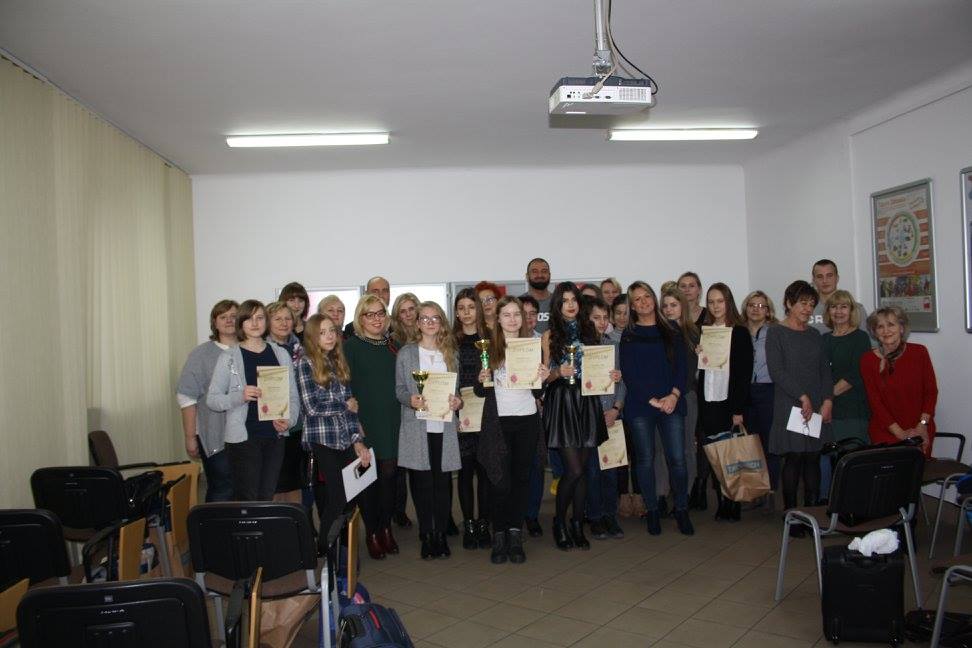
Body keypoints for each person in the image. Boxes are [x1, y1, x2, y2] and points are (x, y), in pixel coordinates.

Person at [475, 296, 550, 563]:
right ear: (497, 319)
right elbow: (480, 391)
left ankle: (515, 534)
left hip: (527, 420)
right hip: (498, 423)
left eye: (516, 314)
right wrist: (481, 380)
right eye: (506, 314)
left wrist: (543, 379)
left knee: (521, 479)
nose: (512, 319)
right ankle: (499, 533)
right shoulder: (488, 348)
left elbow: (537, 392)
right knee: (499, 481)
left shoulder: (531, 347)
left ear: (523, 318)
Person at [296, 314, 378, 557]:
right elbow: (311, 408)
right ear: (312, 337)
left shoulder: (338, 362)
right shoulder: (305, 363)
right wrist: (344, 405)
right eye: (322, 332)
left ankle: (342, 546)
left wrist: (357, 441)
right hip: (322, 440)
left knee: (353, 493)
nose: (330, 336)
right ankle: (323, 548)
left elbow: (352, 409)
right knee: (337, 495)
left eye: (332, 331)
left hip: (344, 439)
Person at [619, 281, 694, 536]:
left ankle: (681, 509)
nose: (643, 302)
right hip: (641, 406)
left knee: (677, 459)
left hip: (672, 402)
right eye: (637, 299)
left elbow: (682, 368)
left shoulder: (672, 329)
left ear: (654, 298)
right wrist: (651, 400)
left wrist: (673, 395)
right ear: (632, 306)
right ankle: (651, 510)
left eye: (647, 296)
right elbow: (629, 373)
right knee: (645, 460)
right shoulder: (629, 335)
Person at [207, 299, 300, 501]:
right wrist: (239, 396)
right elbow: (212, 399)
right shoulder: (229, 357)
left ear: (266, 321)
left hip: (275, 437)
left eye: (260, 318)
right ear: (241, 323)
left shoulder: (280, 354)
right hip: (243, 439)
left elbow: (292, 396)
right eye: (249, 319)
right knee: (247, 499)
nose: (255, 323)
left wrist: (289, 420)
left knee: (266, 496)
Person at [543, 282, 610, 550]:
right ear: (557, 306)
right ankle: (559, 523)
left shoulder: (590, 330)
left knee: (582, 473)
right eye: (564, 301)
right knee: (575, 470)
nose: (570, 305)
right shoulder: (549, 335)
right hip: (562, 402)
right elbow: (543, 377)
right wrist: (558, 372)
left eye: (574, 300)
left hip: (588, 401)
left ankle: (577, 524)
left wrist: (611, 375)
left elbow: (599, 367)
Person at [395, 302, 463, 559]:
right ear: (417, 323)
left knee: (442, 482)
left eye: (435, 318)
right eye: (424, 318)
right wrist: (410, 399)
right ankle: (427, 533)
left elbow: (456, 391)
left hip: (444, 426)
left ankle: (441, 534)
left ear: (442, 322)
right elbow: (400, 390)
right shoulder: (406, 353)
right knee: (422, 483)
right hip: (418, 426)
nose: (430, 322)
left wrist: (458, 402)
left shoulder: (450, 353)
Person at [766, 280, 834, 536]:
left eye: (811, 304)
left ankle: (812, 515)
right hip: (790, 403)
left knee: (813, 457)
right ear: (788, 303)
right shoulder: (776, 332)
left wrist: (827, 400)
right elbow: (777, 371)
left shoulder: (815, 334)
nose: (807, 308)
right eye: (803, 303)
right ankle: (792, 516)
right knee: (794, 457)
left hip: (814, 404)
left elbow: (824, 371)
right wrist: (802, 396)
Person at [344, 294, 402, 556]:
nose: (376, 319)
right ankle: (372, 532)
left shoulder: (394, 346)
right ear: (360, 318)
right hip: (366, 422)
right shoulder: (351, 347)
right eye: (370, 314)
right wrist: (354, 425)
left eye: (380, 313)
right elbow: (345, 388)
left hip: (393, 420)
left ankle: (386, 527)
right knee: (369, 479)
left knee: (390, 477)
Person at [697, 283, 754, 522]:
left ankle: (734, 502)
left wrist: (738, 409)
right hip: (708, 400)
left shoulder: (739, 332)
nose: (715, 306)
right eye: (711, 302)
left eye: (720, 301)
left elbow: (744, 374)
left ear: (728, 302)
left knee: (731, 455)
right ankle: (721, 501)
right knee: (714, 455)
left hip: (728, 402)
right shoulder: (705, 332)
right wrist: (699, 354)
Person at [176, 299, 238, 502]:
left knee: (244, 489)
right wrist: (190, 436)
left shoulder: (250, 350)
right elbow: (186, 396)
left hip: (248, 437)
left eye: (234, 316)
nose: (229, 320)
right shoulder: (201, 355)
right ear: (215, 322)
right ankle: (214, 524)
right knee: (222, 488)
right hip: (215, 434)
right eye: (223, 317)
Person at [860, 306, 937, 454]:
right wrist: (900, 433)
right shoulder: (867, 360)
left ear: (901, 328)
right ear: (874, 332)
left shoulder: (919, 352)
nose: (886, 331)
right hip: (885, 431)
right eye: (880, 327)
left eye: (891, 325)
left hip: (920, 429)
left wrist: (922, 425)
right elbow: (875, 402)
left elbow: (931, 392)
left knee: (918, 468)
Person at [453, 288, 492, 550]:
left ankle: (483, 524)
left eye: (471, 306)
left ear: (478, 308)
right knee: (466, 472)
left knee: (485, 472)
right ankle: (468, 524)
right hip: (461, 413)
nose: (467, 312)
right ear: (456, 313)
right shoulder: (449, 341)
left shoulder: (491, 338)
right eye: (462, 308)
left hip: (487, 412)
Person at [657, 282, 700, 514]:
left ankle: (685, 494)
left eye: (673, 305)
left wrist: (674, 394)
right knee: (661, 449)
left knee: (686, 449)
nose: (669, 310)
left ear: (682, 306)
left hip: (686, 396)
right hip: (661, 399)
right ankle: (662, 495)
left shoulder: (692, 333)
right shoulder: (658, 333)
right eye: (665, 306)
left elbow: (689, 371)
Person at [585, 297, 626, 539]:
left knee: (610, 470)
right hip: (588, 419)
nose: (601, 322)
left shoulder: (614, 346)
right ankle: (595, 517)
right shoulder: (579, 347)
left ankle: (610, 515)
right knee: (591, 471)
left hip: (611, 416)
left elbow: (624, 382)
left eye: (604, 318)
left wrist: (616, 409)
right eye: (596, 318)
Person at [266, 302, 309, 506]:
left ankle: (298, 521)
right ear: (267, 322)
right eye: (277, 319)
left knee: (297, 480)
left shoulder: (302, 348)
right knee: (275, 481)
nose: (284, 323)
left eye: (288, 318)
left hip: (299, 423)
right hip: (273, 423)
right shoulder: (262, 349)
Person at [741, 290, 781, 500]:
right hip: (745, 390)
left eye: (761, 306)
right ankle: (754, 489)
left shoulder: (776, 332)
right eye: (752, 305)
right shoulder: (738, 332)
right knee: (750, 442)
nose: (756, 310)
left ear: (768, 310)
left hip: (768, 390)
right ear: (745, 308)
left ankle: (771, 489)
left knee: (769, 441)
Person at [519, 293, 546, 537]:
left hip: (538, 412)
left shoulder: (543, 342)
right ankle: (515, 514)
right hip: (513, 413)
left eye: (532, 314)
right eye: (523, 313)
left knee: (537, 465)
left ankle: (532, 515)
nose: (528, 318)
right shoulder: (507, 343)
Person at [809, 259, 867, 333]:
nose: (825, 281)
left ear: (837, 278)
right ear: (814, 280)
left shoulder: (856, 309)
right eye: (820, 277)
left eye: (829, 276)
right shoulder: (806, 309)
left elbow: (867, 339)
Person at [521, 258, 552, 333]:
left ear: (549, 275)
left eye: (544, 271)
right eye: (535, 271)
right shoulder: (518, 303)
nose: (540, 275)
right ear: (527, 276)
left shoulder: (559, 302)